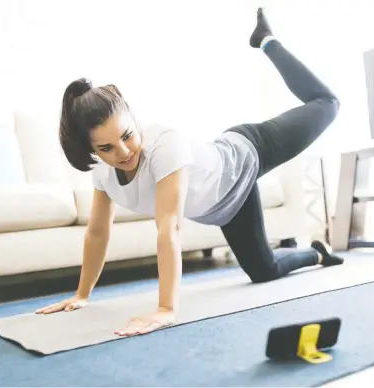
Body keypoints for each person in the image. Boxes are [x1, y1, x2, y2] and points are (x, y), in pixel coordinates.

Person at [36, 8, 344, 337]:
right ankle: (316, 253)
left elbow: (169, 227)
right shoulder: (103, 175)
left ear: (134, 119)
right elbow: (97, 234)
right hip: (227, 206)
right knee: (263, 271)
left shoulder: (164, 145)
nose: (124, 152)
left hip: (247, 152)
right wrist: (82, 295)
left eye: (127, 136)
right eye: (107, 148)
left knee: (327, 103)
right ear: (92, 150)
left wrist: (166, 309)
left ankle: (267, 42)